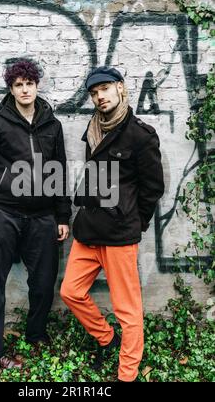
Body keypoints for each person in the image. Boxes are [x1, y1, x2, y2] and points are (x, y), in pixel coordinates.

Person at [60, 66, 164, 382]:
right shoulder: (94, 130)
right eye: (94, 93)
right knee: (70, 292)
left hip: (120, 236)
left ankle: (127, 374)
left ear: (120, 88)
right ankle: (107, 339)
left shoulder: (140, 136)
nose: (99, 97)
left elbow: (152, 188)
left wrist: (134, 221)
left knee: (127, 311)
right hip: (89, 230)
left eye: (104, 89)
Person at [0, 59, 71, 368]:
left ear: (37, 86)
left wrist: (62, 215)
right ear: (11, 89)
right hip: (3, 215)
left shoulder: (52, 126)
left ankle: (36, 334)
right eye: (18, 85)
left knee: (43, 283)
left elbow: (60, 171)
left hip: (42, 217)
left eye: (29, 83)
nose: (24, 89)